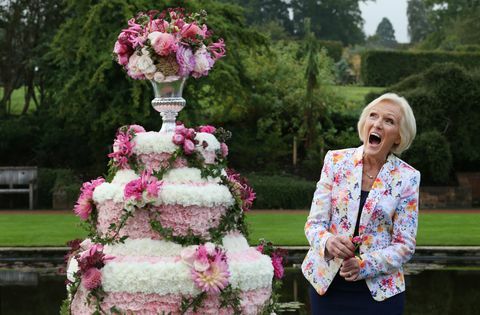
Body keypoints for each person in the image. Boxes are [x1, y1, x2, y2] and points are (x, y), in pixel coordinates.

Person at [302, 93, 421, 315]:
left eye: (389, 121)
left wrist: (364, 265)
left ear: (398, 137)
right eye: (373, 116)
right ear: (364, 123)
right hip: (327, 287)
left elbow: (404, 245)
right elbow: (314, 224)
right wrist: (328, 242)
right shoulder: (335, 161)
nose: (377, 123)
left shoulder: (408, 177)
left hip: (381, 293)